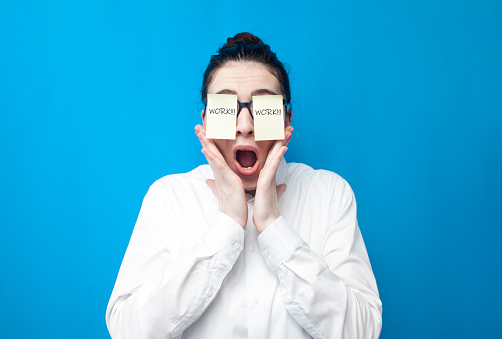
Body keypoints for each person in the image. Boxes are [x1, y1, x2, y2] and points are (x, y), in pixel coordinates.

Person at [106, 32, 382, 339]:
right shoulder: (169, 198)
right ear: (207, 121)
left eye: (264, 108)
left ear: (286, 119)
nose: (245, 126)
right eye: (226, 109)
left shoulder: (329, 194)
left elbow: (363, 331)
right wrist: (226, 226)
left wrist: (273, 227)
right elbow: (126, 331)